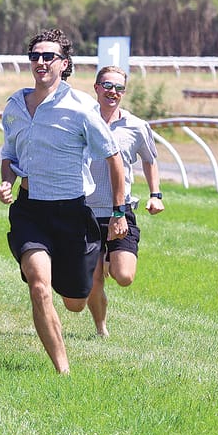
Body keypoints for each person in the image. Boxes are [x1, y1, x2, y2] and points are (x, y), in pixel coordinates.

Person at [0, 29, 128, 374]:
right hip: (30, 210)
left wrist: (118, 210)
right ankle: (63, 370)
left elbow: (113, 158)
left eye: (48, 56)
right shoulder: (14, 106)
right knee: (39, 285)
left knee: (74, 302)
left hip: (72, 213)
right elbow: (9, 155)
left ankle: (77, 292)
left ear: (64, 64)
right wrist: (7, 182)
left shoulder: (82, 106)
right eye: (35, 56)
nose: (40, 62)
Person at [85, 65, 164, 337]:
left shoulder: (136, 126)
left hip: (121, 211)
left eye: (119, 88)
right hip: (86, 212)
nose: (113, 92)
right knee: (93, 282)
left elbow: (150, 160)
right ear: (96, 88)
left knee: (124, 276)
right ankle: (100, 327)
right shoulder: (82, 121)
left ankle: (109, 258)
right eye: (107, 86)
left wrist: (156, 195)